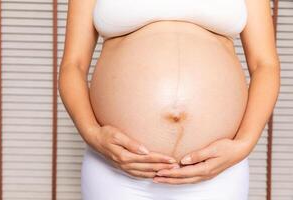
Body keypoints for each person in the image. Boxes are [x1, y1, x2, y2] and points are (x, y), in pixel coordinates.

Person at [58, 0, 280, 199]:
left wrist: (244, 144)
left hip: (216, 173)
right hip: (116, 171)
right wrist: (92, 133)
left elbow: (265, 66)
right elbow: (73, 66)